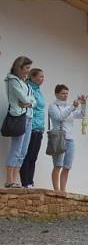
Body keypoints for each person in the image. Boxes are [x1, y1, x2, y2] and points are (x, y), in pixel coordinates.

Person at [48, 84, 86, 194]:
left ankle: (63, 190)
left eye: (66, 93)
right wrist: (72, 107)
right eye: (63, 93)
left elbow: (82, 114)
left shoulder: (68, 106)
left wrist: (83, 104)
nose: (65, 96)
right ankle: (56, 190)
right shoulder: (53, 106)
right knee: (58, 165)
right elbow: (59, 117)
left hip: (70, 139)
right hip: (59, 138)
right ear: (56, 94)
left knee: (67, 166)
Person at [4, 56, 35, 188]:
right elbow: (23, 98)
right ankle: (9, 180)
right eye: (26, 68)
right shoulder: (12, 80)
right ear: (20, 67)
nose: (28, 71)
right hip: (18, 117)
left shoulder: (25, 83)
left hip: (28, 117)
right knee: (16, 149)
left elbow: (33, 101)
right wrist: (28, 101)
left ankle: (15, 180)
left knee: (23, 151)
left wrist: (28, 102)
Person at [20, 68, 45, 188]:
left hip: (39, 127)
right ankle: (25, 182)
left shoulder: (39, 91)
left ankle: (30, 181)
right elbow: (31, 106)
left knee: (34, 156)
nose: (42, 79)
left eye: (43, 77)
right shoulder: (28, 88)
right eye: (40, 77)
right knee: (27, 155)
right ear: (33, 77)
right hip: (31, 126)